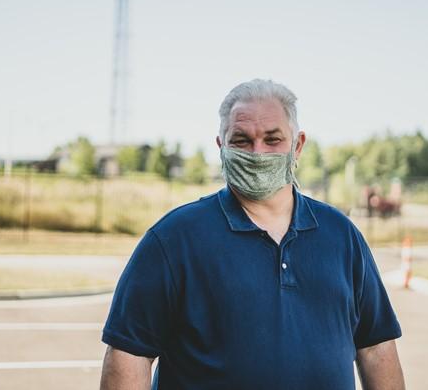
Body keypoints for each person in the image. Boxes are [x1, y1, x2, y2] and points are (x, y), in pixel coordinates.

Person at [100, 79, 405, 389]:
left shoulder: (342, 236)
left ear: (297, 146)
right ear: (221, 147)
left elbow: (376, 347)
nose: (258, 153)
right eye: (242, 141)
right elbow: (129, 354)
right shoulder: (173, 239)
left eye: (272, 140)